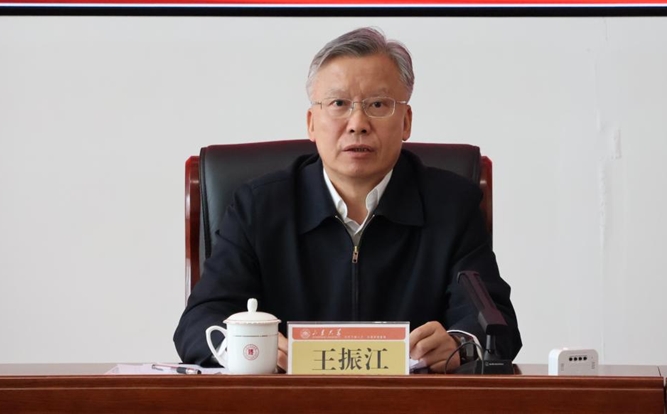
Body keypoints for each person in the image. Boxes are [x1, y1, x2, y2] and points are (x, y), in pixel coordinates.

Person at [173, 27, 522, 373]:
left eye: (378, 104)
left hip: (409, 401)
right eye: (339, 104)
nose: (358, 123)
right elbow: (199, 323)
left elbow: (495, 324)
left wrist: (460, 344)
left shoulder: (451, 205)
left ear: (406, 122)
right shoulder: (258, 207)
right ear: (311, 123)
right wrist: (245, 347)